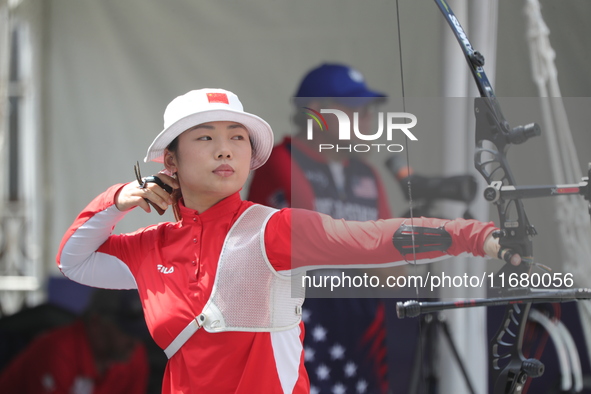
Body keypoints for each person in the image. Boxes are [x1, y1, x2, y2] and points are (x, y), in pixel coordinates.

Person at [56, 88, 519, 393]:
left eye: (238, 138)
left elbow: (373, 239)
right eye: (205, 137)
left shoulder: (272, 229)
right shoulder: (149, 245)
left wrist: (480, 237)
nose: (225, 149)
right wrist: (120, 197)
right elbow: (73, 260)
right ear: (170, 162)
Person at [248, 63, 401, 393]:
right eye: (354, 110)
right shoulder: (279, 160)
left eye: (368, 110)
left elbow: (389, 267)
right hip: (304, 325)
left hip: (361, 326)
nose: (367, 120)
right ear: (316, 112)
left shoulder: (368, 174)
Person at [0, 289, 149, 394]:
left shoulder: (133, 354)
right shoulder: (58, 351)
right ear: (96, 323)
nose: (134, 341)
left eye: (138, 332)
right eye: (125, 330)